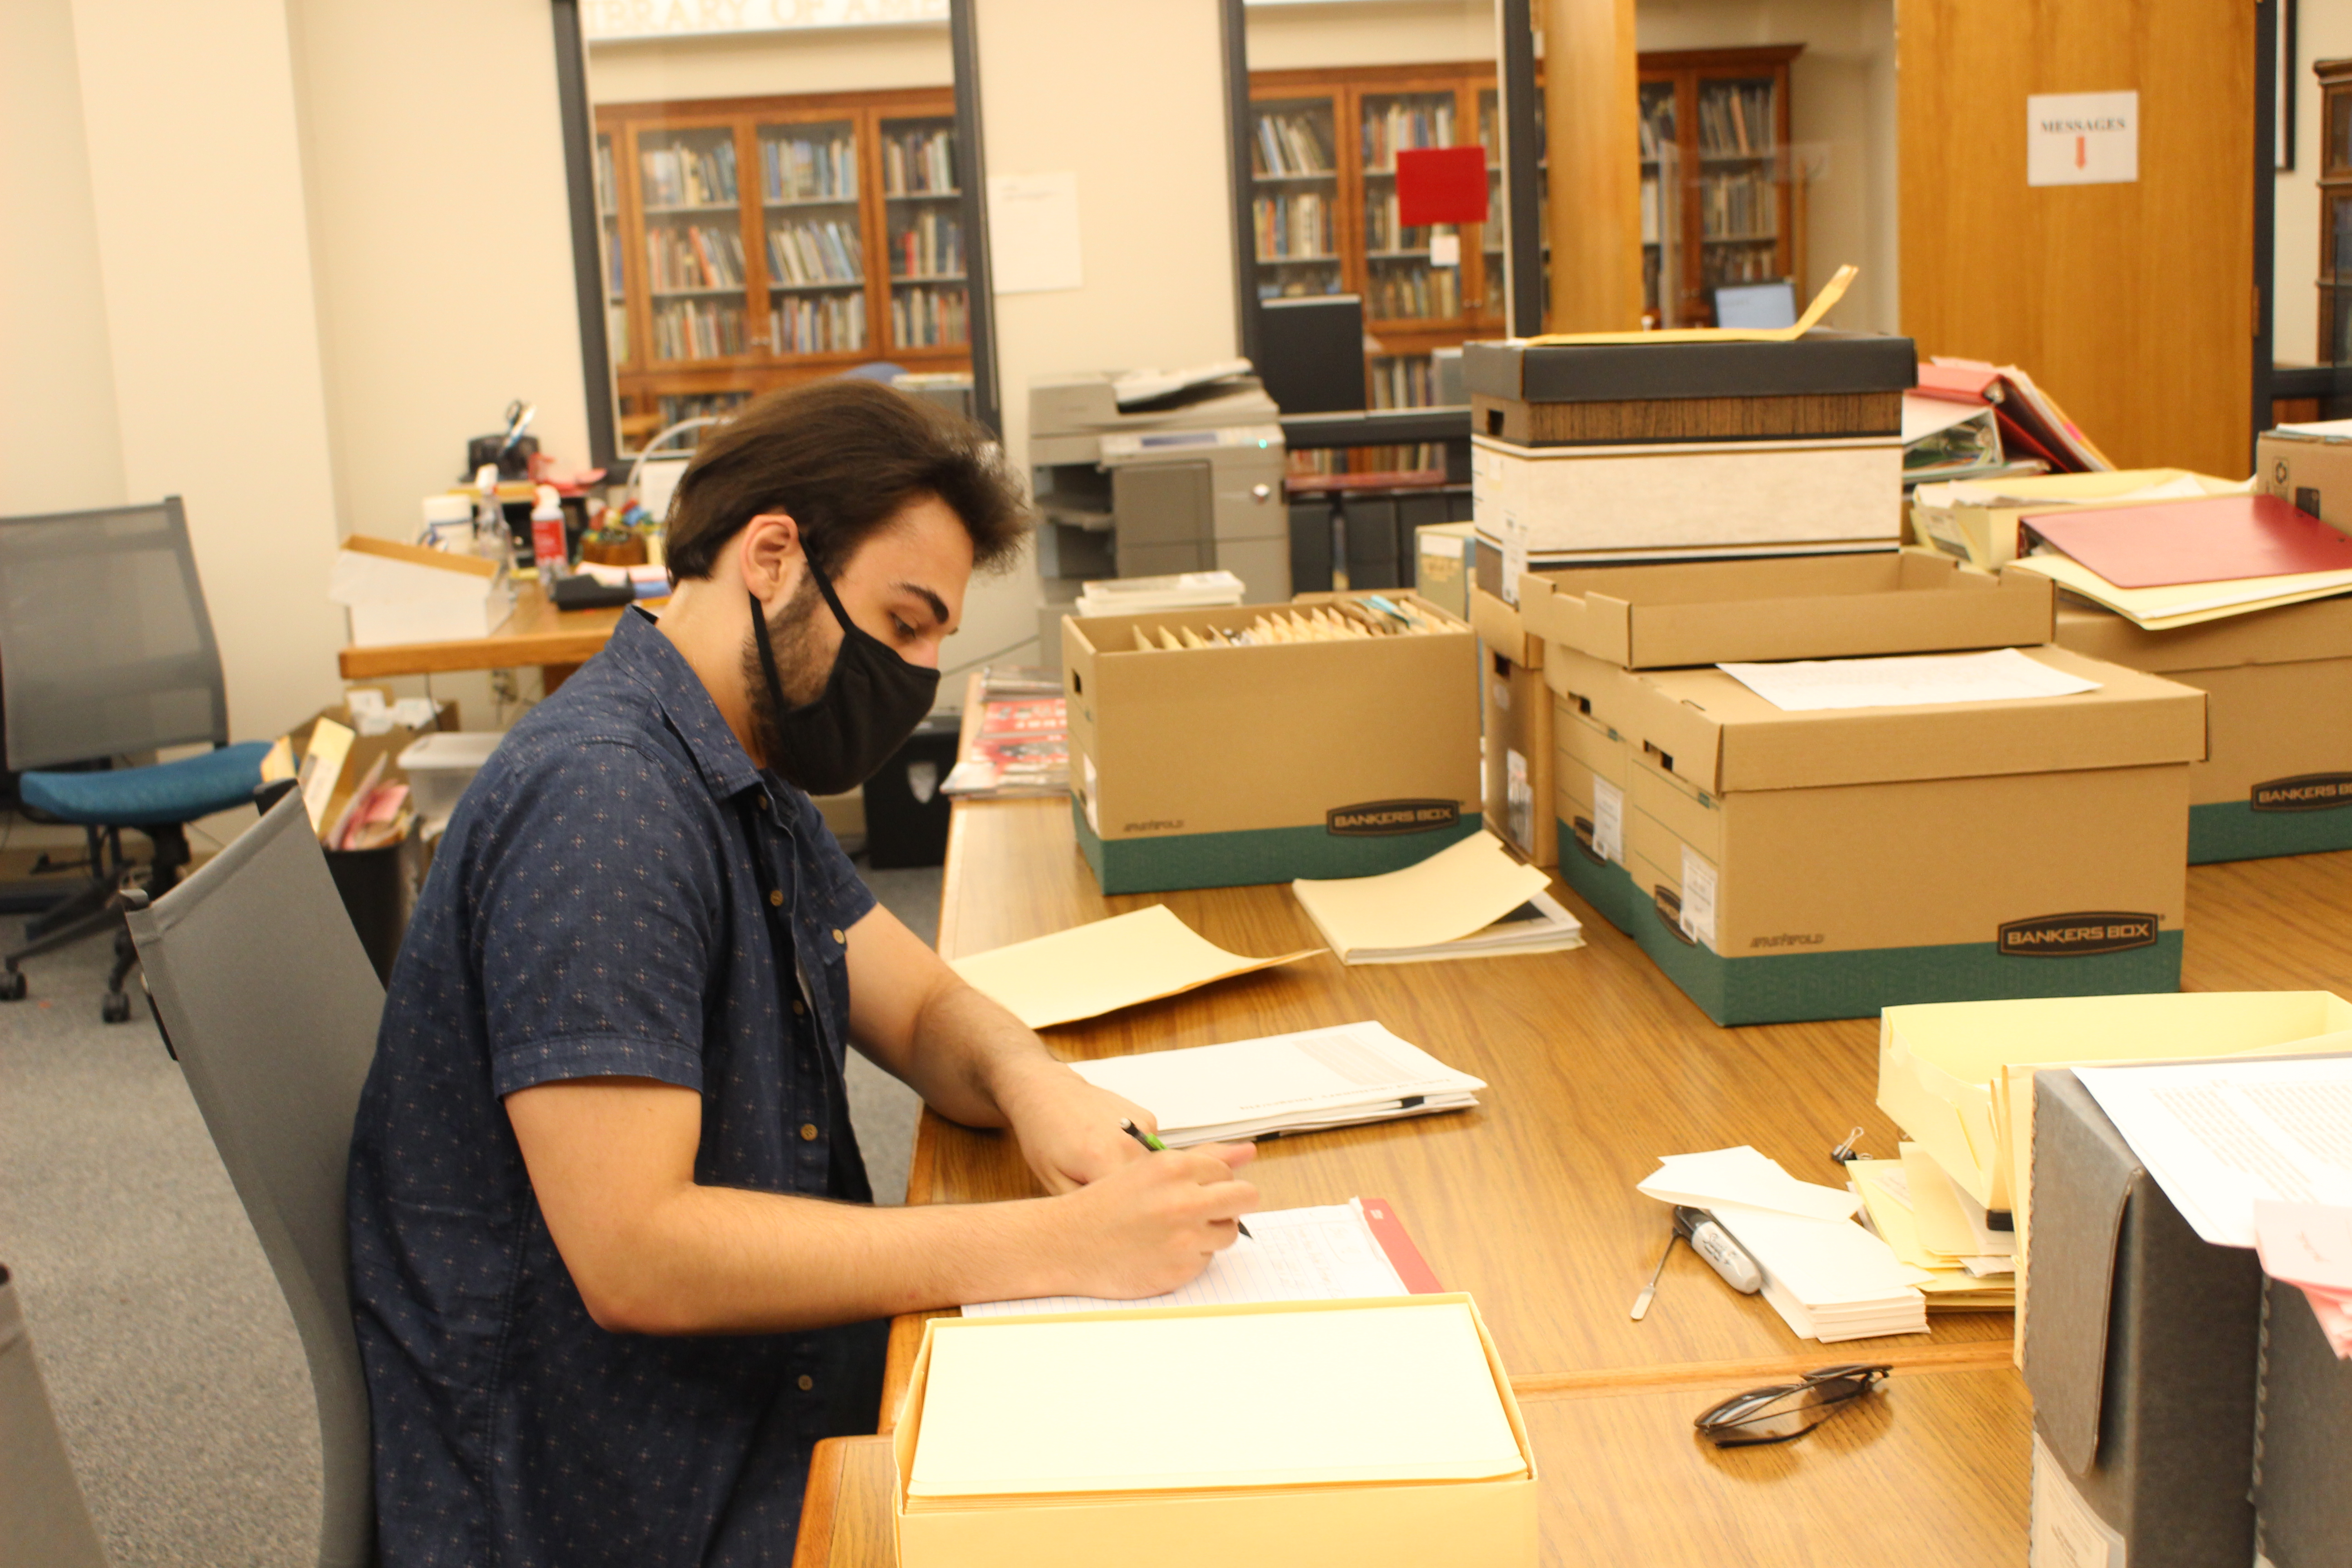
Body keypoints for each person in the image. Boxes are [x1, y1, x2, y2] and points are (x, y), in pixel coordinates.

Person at [347, 380, 1259, 1567]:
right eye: (905, 622)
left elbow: (922, 1003)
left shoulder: (734, 763)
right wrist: (1063, 1243)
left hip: (738, 1392)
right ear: (772, 556)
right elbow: (638, 1254)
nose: (922, 671)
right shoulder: (610, 802)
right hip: (611, 1489)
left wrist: (1041, 1090)